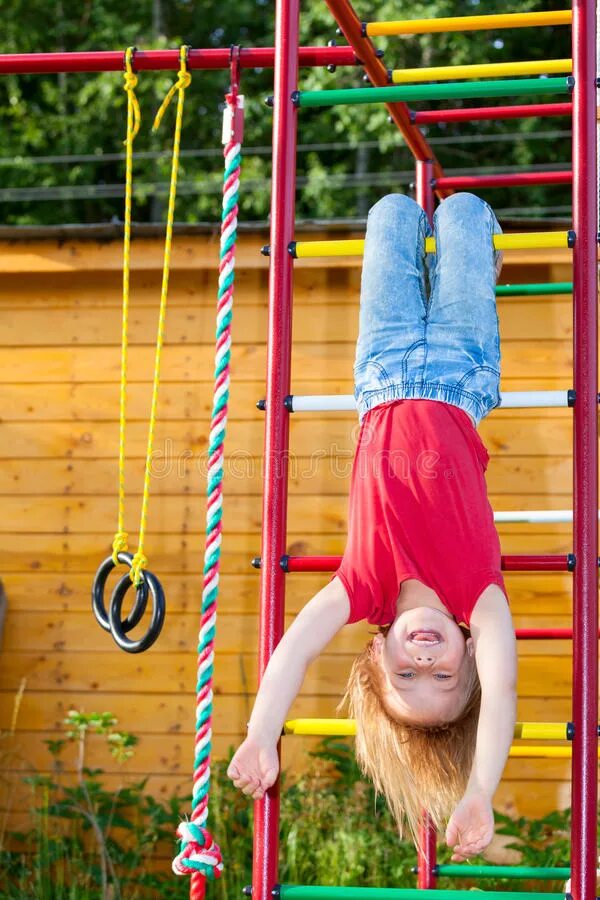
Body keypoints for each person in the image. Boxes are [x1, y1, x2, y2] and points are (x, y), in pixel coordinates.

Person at [228, 192, 517, 862]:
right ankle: (481, 245)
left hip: (381, 371)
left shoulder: (361, 589)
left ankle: (418, 224)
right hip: (462, 372)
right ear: (470, 653)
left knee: (388, 212)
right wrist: (480, 790)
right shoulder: (480, 598)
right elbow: (501, 692)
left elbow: (293, 652)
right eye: (442, 679)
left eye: (405, 678)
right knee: (465, 214)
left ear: (376, 657)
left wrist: (260, 734)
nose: (423, 664)